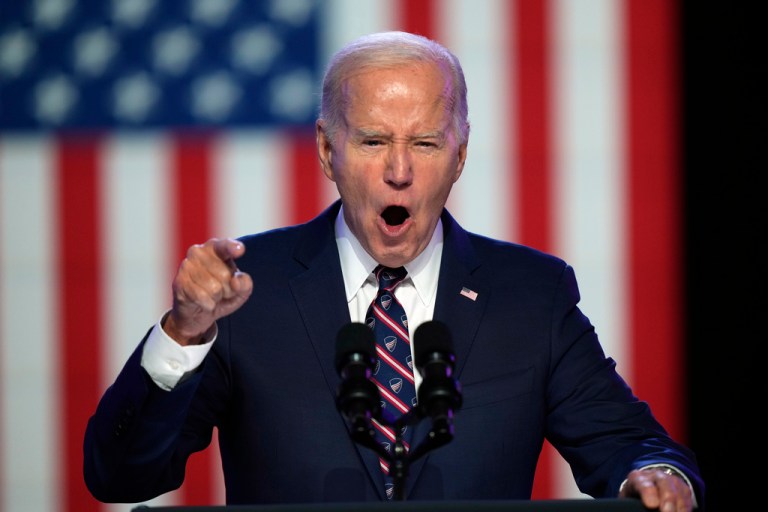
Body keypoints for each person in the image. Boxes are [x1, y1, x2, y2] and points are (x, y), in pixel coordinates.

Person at [83, 31, 704, 511]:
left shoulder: (531, 295)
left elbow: (631, 446)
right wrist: (185, 333)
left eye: (426, 144)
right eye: (375, 141)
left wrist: (655, 476)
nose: (400, 172)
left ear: (460, 155)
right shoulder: (250, 291)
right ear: (329, 150)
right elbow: (123, 475)